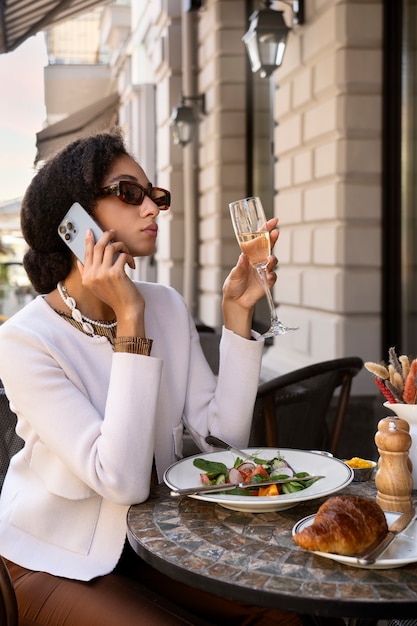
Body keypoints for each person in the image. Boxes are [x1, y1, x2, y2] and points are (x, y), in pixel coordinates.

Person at [0, 129, 302, 626]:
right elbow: (119, 480)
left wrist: (236, 315)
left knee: (287, 613)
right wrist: (131, 322)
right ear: (73, 220)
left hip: (156, 546)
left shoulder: (166, 304)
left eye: (154, 196)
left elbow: (220, 446)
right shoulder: (26, 340)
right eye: (129, 193)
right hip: (53, 558)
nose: (152, 208)